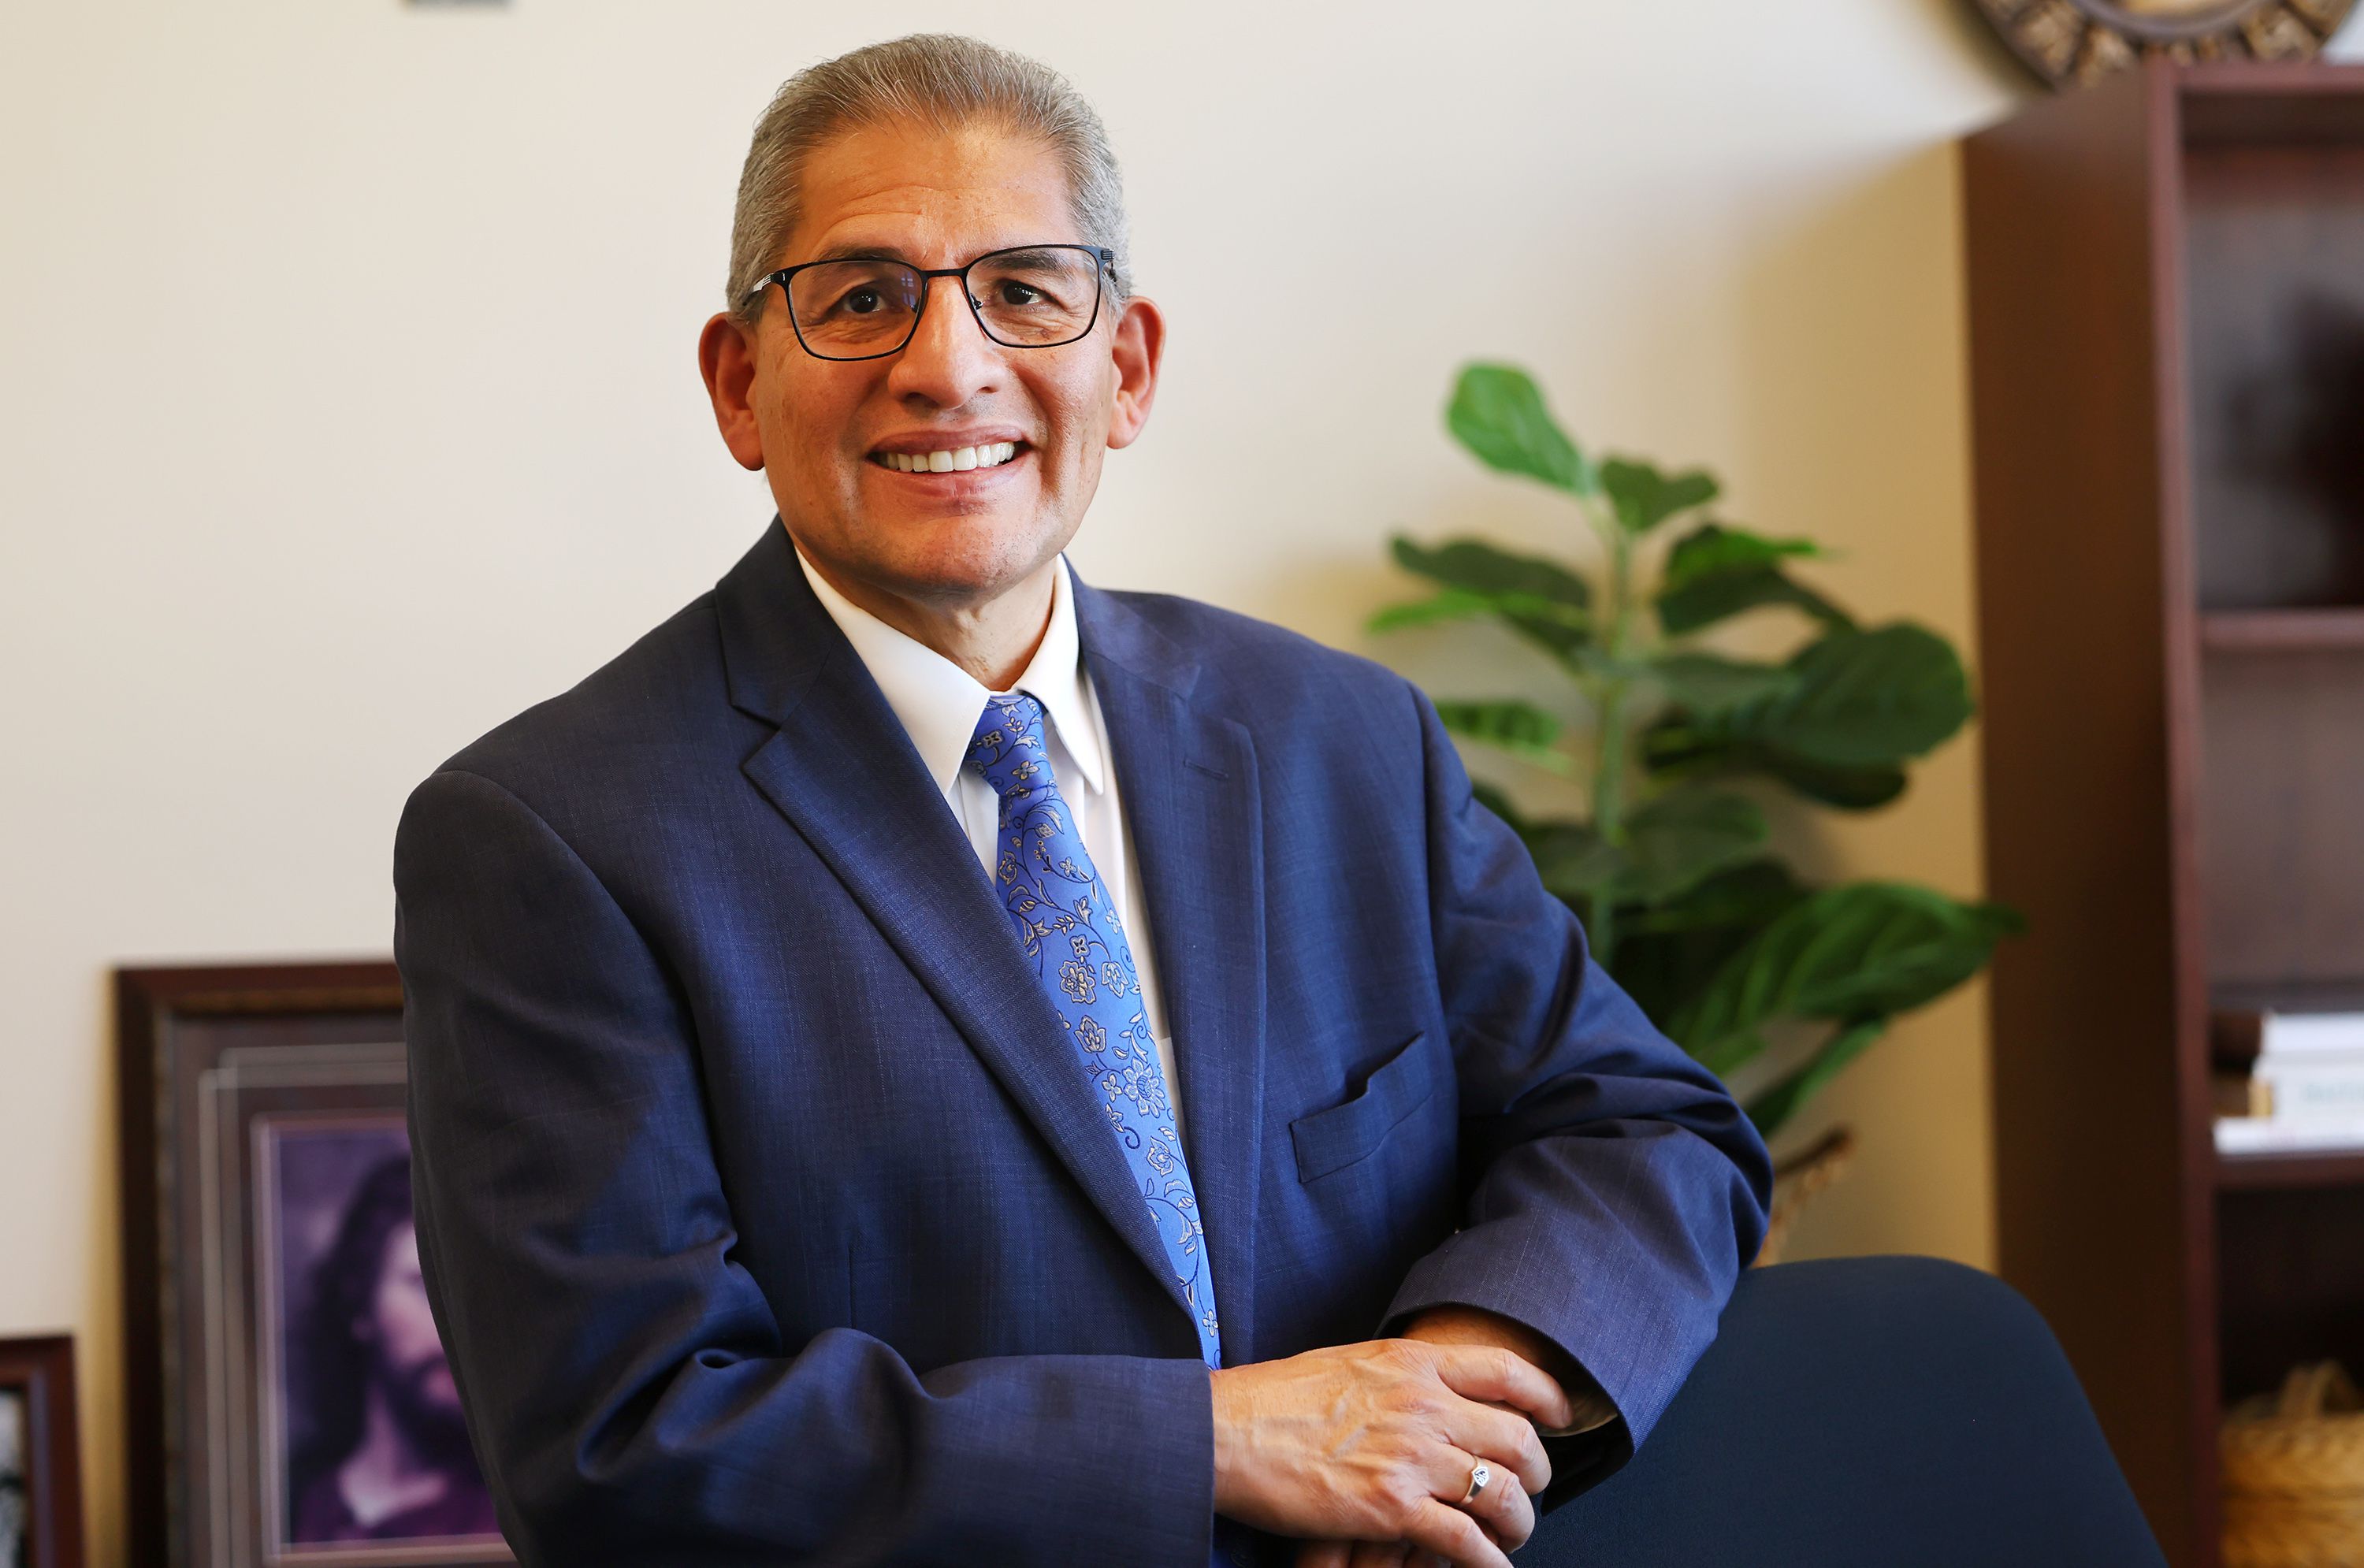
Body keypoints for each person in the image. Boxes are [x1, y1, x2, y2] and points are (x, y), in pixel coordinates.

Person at [395, 32, 1772, 1568]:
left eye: (1026, 290)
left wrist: (1442, 1404)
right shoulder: (551, 835)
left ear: (1125, 369)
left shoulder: (1337, 736)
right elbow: (619, 1445)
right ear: (738, 383)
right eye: (861, 297)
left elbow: (1655, 1125)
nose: (949, 363)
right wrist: (1224, 1440)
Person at [285, 1154, 500, 1544]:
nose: (457, 1326)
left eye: (474, 1296)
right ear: (360, 1307)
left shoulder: (510, 1513)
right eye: (424, 1287)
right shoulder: (290, 1502)